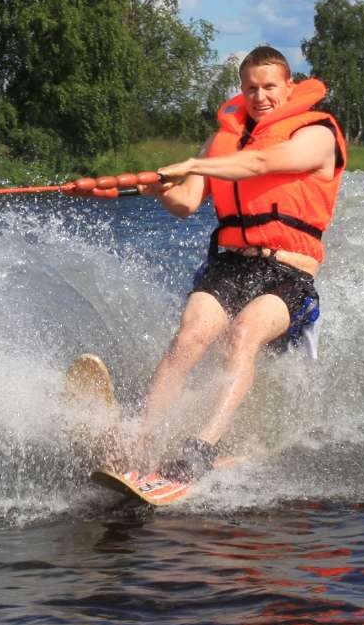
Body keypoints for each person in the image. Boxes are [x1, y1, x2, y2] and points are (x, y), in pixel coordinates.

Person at [122, 45, 347, 484]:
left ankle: (201, 448)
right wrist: (155, 188)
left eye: (269, 87)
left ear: (289, 87)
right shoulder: (225, 140)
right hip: (230, 265)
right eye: (250, 88)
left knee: (241, 336)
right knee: (191, 335)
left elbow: (263, 162)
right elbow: (187, 202)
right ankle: (142, 441)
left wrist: (193, 162)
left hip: (288, 274)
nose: (260, 96)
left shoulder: (319, 134)